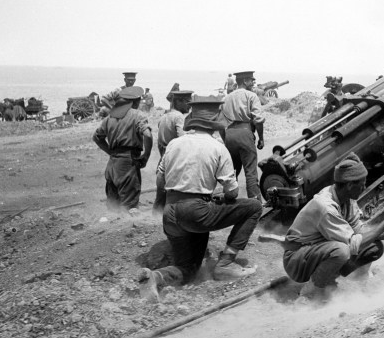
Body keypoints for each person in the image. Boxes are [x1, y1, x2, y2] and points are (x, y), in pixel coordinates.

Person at [138, 96, 262, 302]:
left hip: (170, 213)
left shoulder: (174, 144)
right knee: (254, 207)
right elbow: (231, 191)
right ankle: (225, 264)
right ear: (215, 123)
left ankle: (156, 277)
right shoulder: (217, 148)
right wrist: (217, 197)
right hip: (197, 211)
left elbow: (160, 181)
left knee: (188, 269)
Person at [283, 153, 384, 303]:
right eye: (362, 184)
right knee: (341, 251)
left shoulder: (347, 199)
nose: (365, 187)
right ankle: (310, 292)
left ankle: (337, 280)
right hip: (296, 259)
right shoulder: (325, 206)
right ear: (349, 185)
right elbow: (352, 243)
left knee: (374, 247)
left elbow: (359, 231)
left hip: (316, 251)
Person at [92, 86, 153, 216]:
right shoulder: (138, 115)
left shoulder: (110, 117)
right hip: (128, 165)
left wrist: (110, 152)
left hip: (112, 165)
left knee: (113, 207)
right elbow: (147, 135)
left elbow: (96, 137)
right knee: (129, 207)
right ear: (136, 101)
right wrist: (146, 156)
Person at [221, 71, 265, 200]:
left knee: (231, 171)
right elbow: (258, 120)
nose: (253, 83)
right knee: (250, 171)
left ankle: (228, 200)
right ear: (245, 81)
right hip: (245, 132)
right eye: (251, 80)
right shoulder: (251, 96)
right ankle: (255, 203)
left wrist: (225, 139)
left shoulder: (226, 98)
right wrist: (261, 138)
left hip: (229, 134)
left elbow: (220, 124)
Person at [152, 90, 194, 213]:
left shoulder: (165, 116)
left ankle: (155, 217)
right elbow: (182, 138)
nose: (189, 106)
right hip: (175, 159)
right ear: (179, 101)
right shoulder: (179, 117)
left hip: (164, 157)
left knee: (161, 194)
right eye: (187, 102)